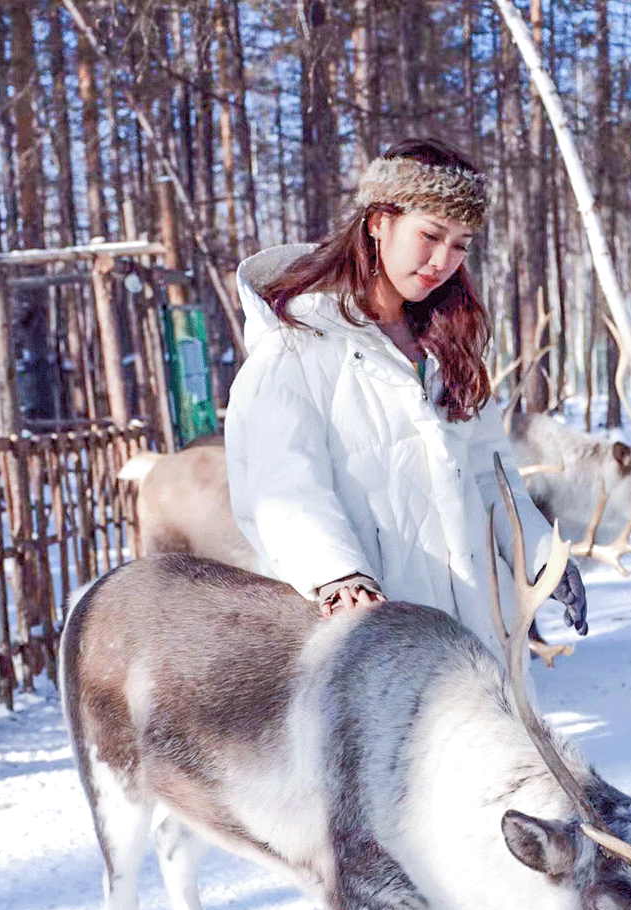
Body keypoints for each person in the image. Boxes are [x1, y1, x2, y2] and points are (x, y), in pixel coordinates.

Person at [224, 137, 587, 663]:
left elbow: (491, 476)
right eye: (430, 235)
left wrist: (541, 557)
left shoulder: (450, 346)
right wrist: (339, 575)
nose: (444, 260)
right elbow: (282, 486)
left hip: (480, 634)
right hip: (370, 639)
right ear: (378, 222)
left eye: (461, 244)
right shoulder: (297, 346)